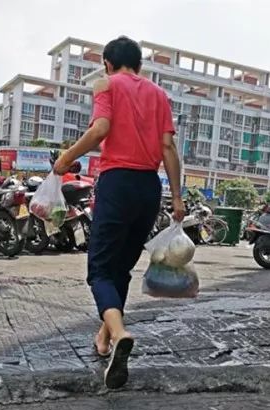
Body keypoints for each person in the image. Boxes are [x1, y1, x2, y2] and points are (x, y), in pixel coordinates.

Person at [53, 36, 185, 389]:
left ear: (108, 64)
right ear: (139, 65)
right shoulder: (159, 95)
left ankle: (120, 331)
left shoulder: (106, 83)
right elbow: (168, 147)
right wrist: (177, 197)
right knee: (121, 268)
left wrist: (66, 159)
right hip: (148, 188)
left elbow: (101, 129)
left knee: (99, 270)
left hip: (117, 183)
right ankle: (107, 337)